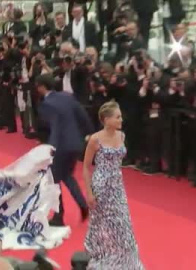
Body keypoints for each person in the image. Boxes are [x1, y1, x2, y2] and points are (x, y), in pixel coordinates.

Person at [82, 101, 144, 269]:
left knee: (123, 223)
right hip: (101, 186)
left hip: (117, 186)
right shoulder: (95, 139)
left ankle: (127, 263)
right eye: (118, 117)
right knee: (100, 223)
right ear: (106, 119)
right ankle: (99, 256)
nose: (121, 120)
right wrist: (89, 193)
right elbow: (86, 167)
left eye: (120, 117)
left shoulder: (122, 136)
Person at [35, 74, 93, 226]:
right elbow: (83, 116)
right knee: (67, 176)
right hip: (75, 144)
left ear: (41, 87)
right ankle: (82, 204)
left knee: (53, 179)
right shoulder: (67, 97)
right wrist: (89, 133)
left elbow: (54, 127)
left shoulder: (46, 104)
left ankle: (59, 216)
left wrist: (51, 146)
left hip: (59, 145)